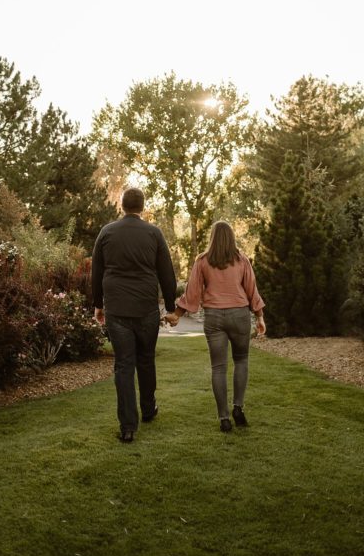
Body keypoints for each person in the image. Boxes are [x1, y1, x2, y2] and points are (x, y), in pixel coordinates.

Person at [92, 187, 177, 443]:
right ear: (142, 206)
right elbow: (166, 273)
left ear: (122, 205)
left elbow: (96, 272)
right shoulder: (154, 233)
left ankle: (128, 426)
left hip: (117, 309)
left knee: (124, 365)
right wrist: (171, 307)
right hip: (146, 308)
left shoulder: (107, 232)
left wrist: (98, 304)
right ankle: (149, 409)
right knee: (146, 359)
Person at [165, 220, 266, 432]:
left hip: (214, 318)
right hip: (239, 315)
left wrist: (177, 314)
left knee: (218, 367)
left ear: (212, 238)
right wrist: (260, 317)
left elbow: (191, 293)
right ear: (232, 237)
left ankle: (224, 419)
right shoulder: (241, 260)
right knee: (241, 361)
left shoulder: (202, 260)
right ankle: (238, 407)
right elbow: (252, 290)